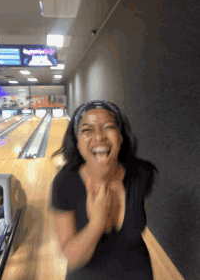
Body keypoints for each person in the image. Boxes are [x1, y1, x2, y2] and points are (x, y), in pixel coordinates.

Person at [50, 100, 159, 280]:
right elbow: (73, 258)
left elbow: (136, 226)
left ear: (121, 136)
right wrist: (97, 223)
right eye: (87, 130)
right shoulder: (64, 182)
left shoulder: (141, 174)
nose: (99, 136)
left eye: (108, 127)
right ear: (77, 141)